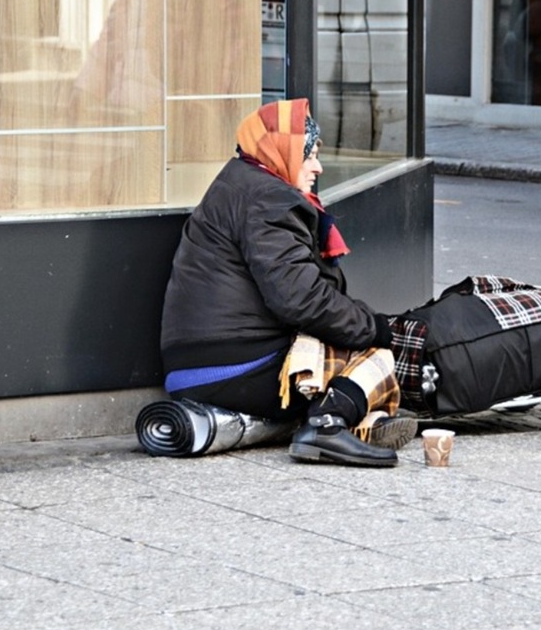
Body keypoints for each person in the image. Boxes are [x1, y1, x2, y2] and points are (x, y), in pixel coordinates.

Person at [160, 98, 417, 467]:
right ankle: (327, 427)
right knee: (376, 356)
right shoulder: (268, 199)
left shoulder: (242, 183)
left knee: (342, 349)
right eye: (309, 154)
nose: (318, 166)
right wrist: (374, 327)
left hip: (203, 362)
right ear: (282, 151)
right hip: (230, 368)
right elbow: (301, 300)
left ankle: (361, 422)